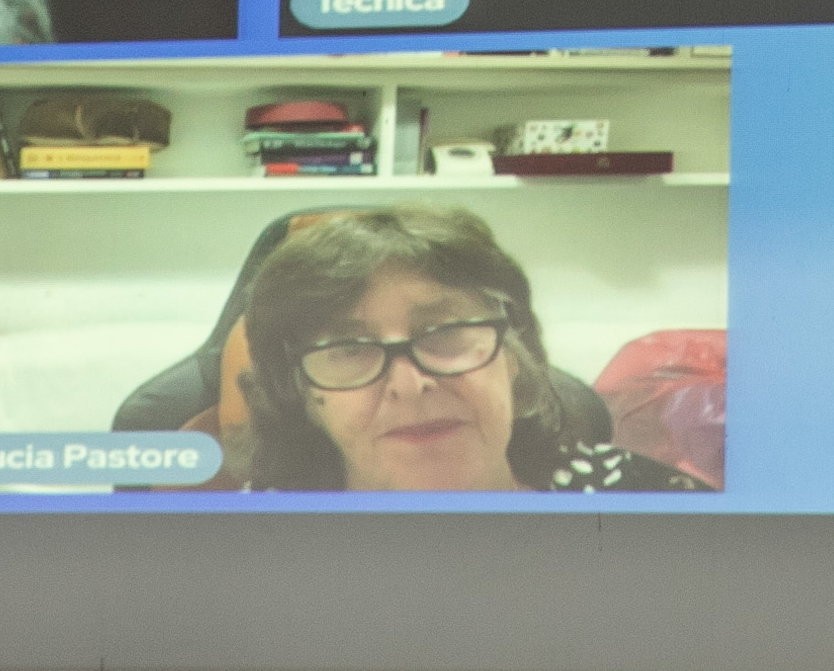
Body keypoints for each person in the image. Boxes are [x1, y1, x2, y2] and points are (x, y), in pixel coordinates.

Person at [237, 205, 715, 494]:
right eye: (348, 349)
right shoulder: (247, 542)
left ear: (513, 358)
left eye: (444, 332)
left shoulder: (651, 508)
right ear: (302, 396)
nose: (410, 385)